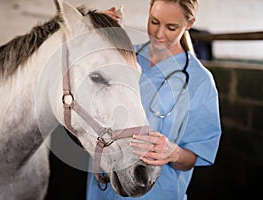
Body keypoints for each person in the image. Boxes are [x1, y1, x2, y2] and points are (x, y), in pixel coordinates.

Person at [86, 0, 222, 199]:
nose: (159, 34)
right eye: (154, 22)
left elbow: (194, 156)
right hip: (104, 188)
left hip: (156, 192)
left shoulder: (199, 82)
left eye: (171, 27)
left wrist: (174, 153)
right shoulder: (124, 57)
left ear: (189, 24)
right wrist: (93, 27)